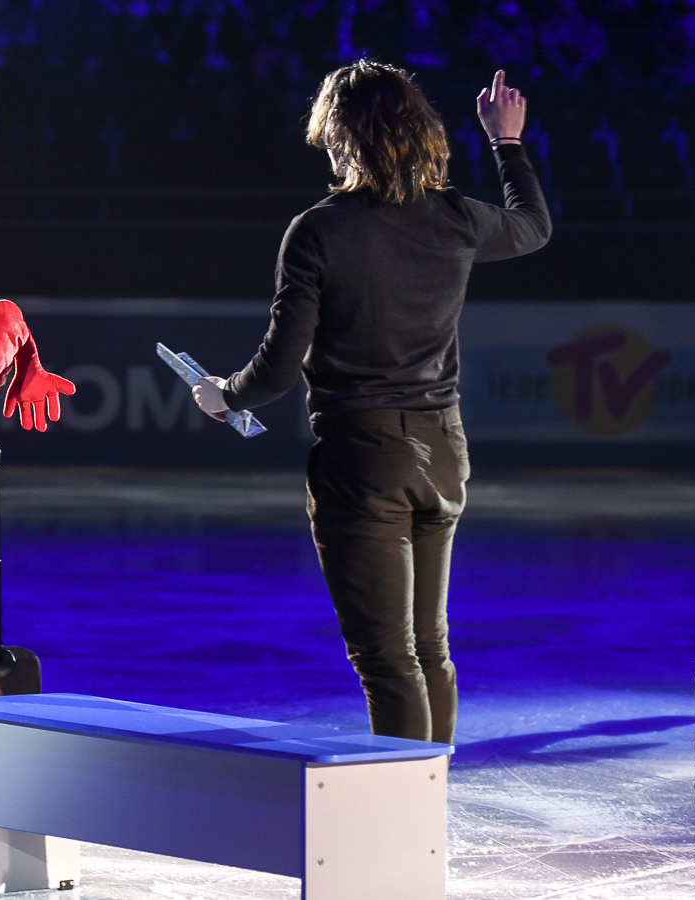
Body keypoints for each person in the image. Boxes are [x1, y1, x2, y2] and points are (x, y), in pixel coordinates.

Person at [193, 64, 551, 744]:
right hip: (443, 453)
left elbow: (275, 368)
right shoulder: (455, 218)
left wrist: (221, 394)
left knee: (387, 660)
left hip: (364, 461)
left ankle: (406, 822)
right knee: (428, 648)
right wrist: (507, 143)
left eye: (329, 132)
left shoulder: (319, 231)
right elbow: (533, 226)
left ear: (344, 137)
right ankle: (427, 801)